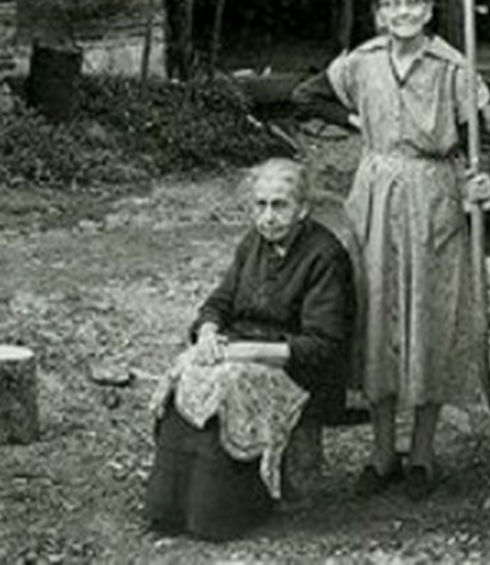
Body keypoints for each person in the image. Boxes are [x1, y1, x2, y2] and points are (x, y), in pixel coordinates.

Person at [291, 0, 490, 502]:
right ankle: (382, 455)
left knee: (431, 316)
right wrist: (355, 120)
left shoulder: (453, 67)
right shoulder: (363, 63)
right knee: (377, 316)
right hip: (376, 195)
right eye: (391, 4)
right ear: (380, 13)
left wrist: (482, 176)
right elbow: (304, 97)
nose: (402, 12)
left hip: (435, 197)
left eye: (413, 3)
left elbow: (482, 140)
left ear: (429, 9)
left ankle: (423, 454)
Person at [145, 157, 355, 543]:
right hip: (241, 350)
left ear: (303, 209)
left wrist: (242, 353)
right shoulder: (253, 242)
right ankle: (170, 507)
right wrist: (208, 333)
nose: (268, 217)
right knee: (189, 371)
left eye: (280, 205)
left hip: (298, 369)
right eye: (261, 205)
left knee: (227, 382)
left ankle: (220, 513)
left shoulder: (324, 255)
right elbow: (220, 301)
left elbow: (321, 346)